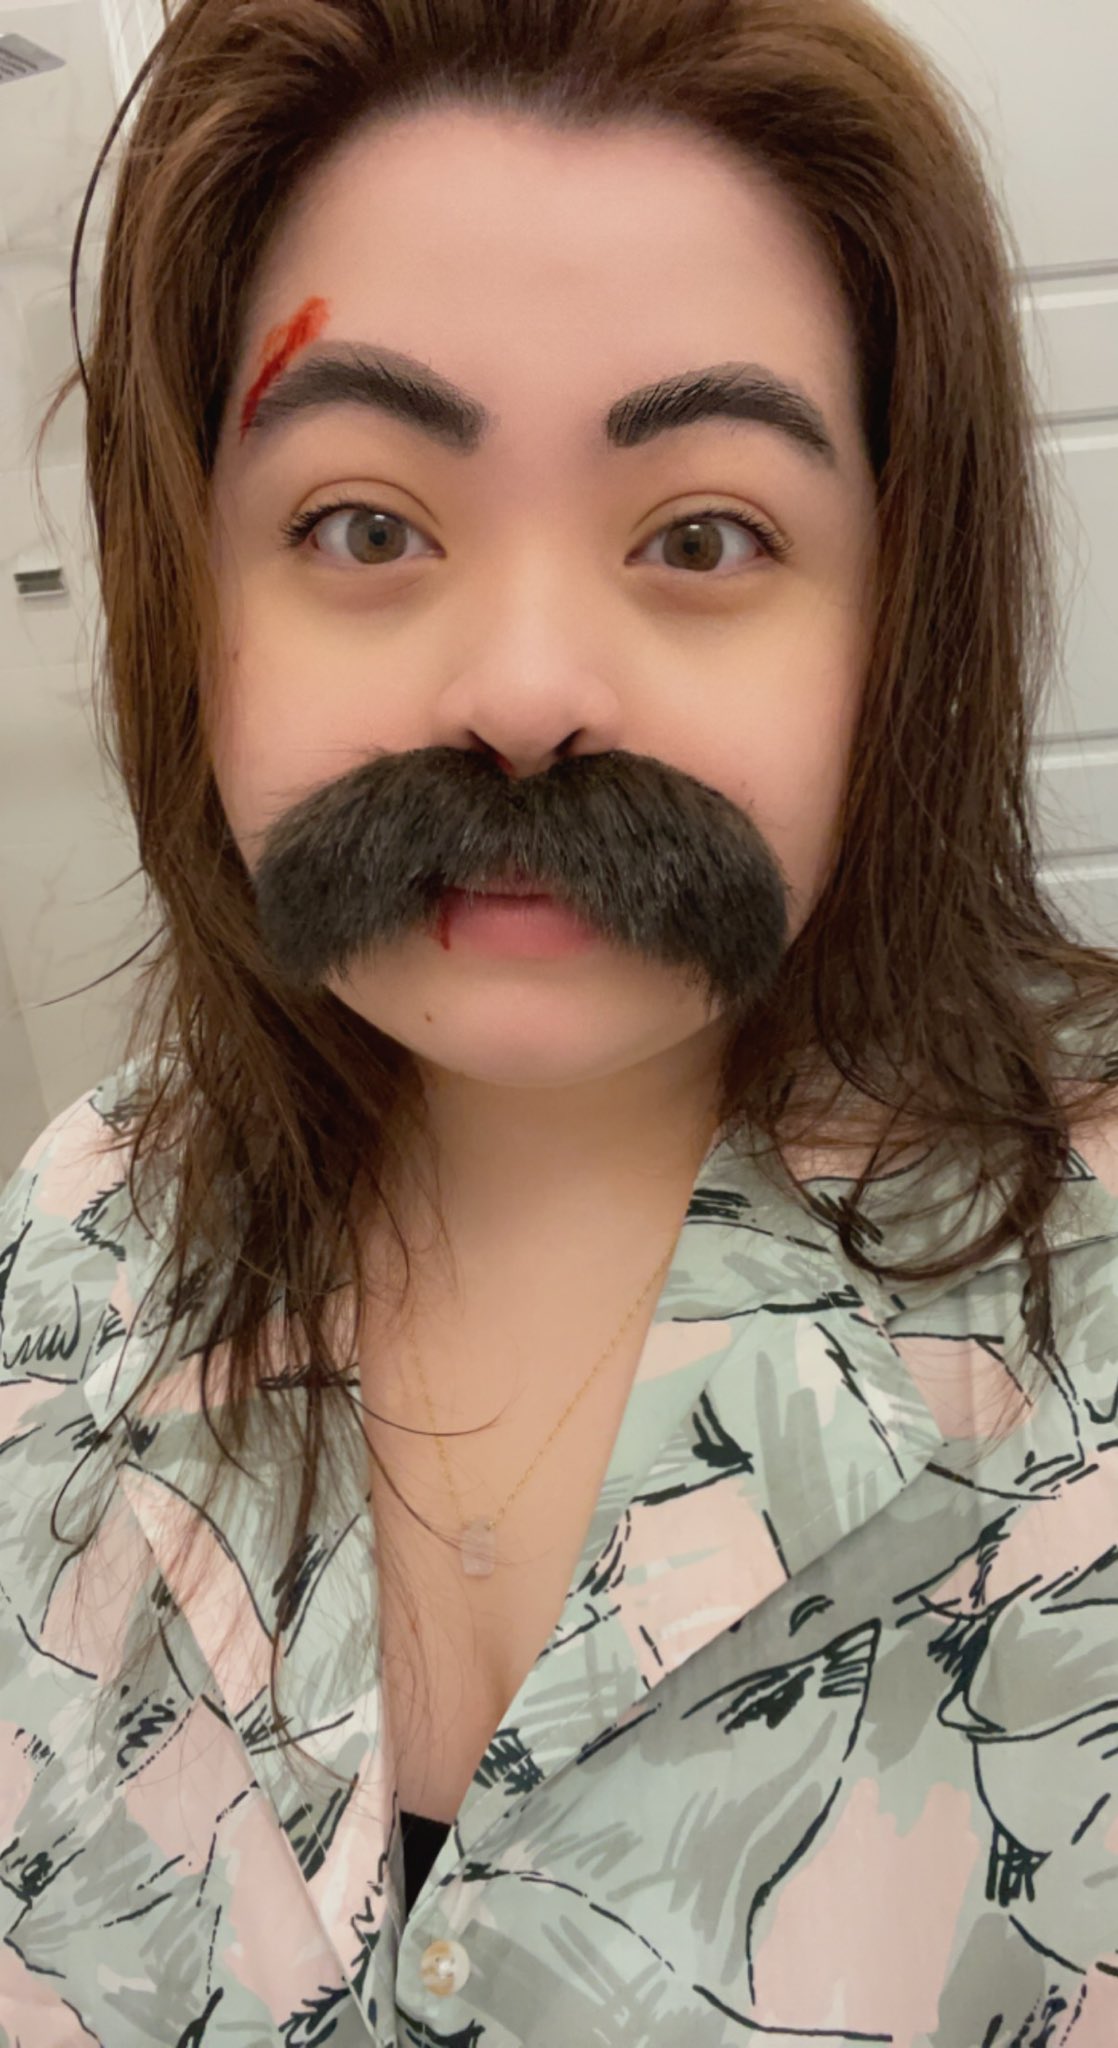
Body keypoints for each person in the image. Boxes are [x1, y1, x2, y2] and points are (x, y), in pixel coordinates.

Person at [2, 0, 1118, 2040]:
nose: (523, 691)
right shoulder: (74, 1242)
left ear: (898, 619)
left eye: (703, 536)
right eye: (364, 525)